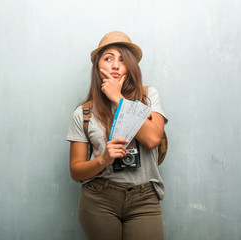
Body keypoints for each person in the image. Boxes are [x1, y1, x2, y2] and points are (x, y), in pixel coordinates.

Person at [66, 31, 168, 240]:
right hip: (99, 198)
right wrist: (104, 159)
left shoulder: (149, 98)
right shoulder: (84, 113)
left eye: (122, 59)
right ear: (98, 67)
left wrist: (118, 99)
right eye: (108, 58)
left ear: (131, 66)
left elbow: (152, 139)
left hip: (144, 198)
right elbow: (76, 171)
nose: (115, 65)